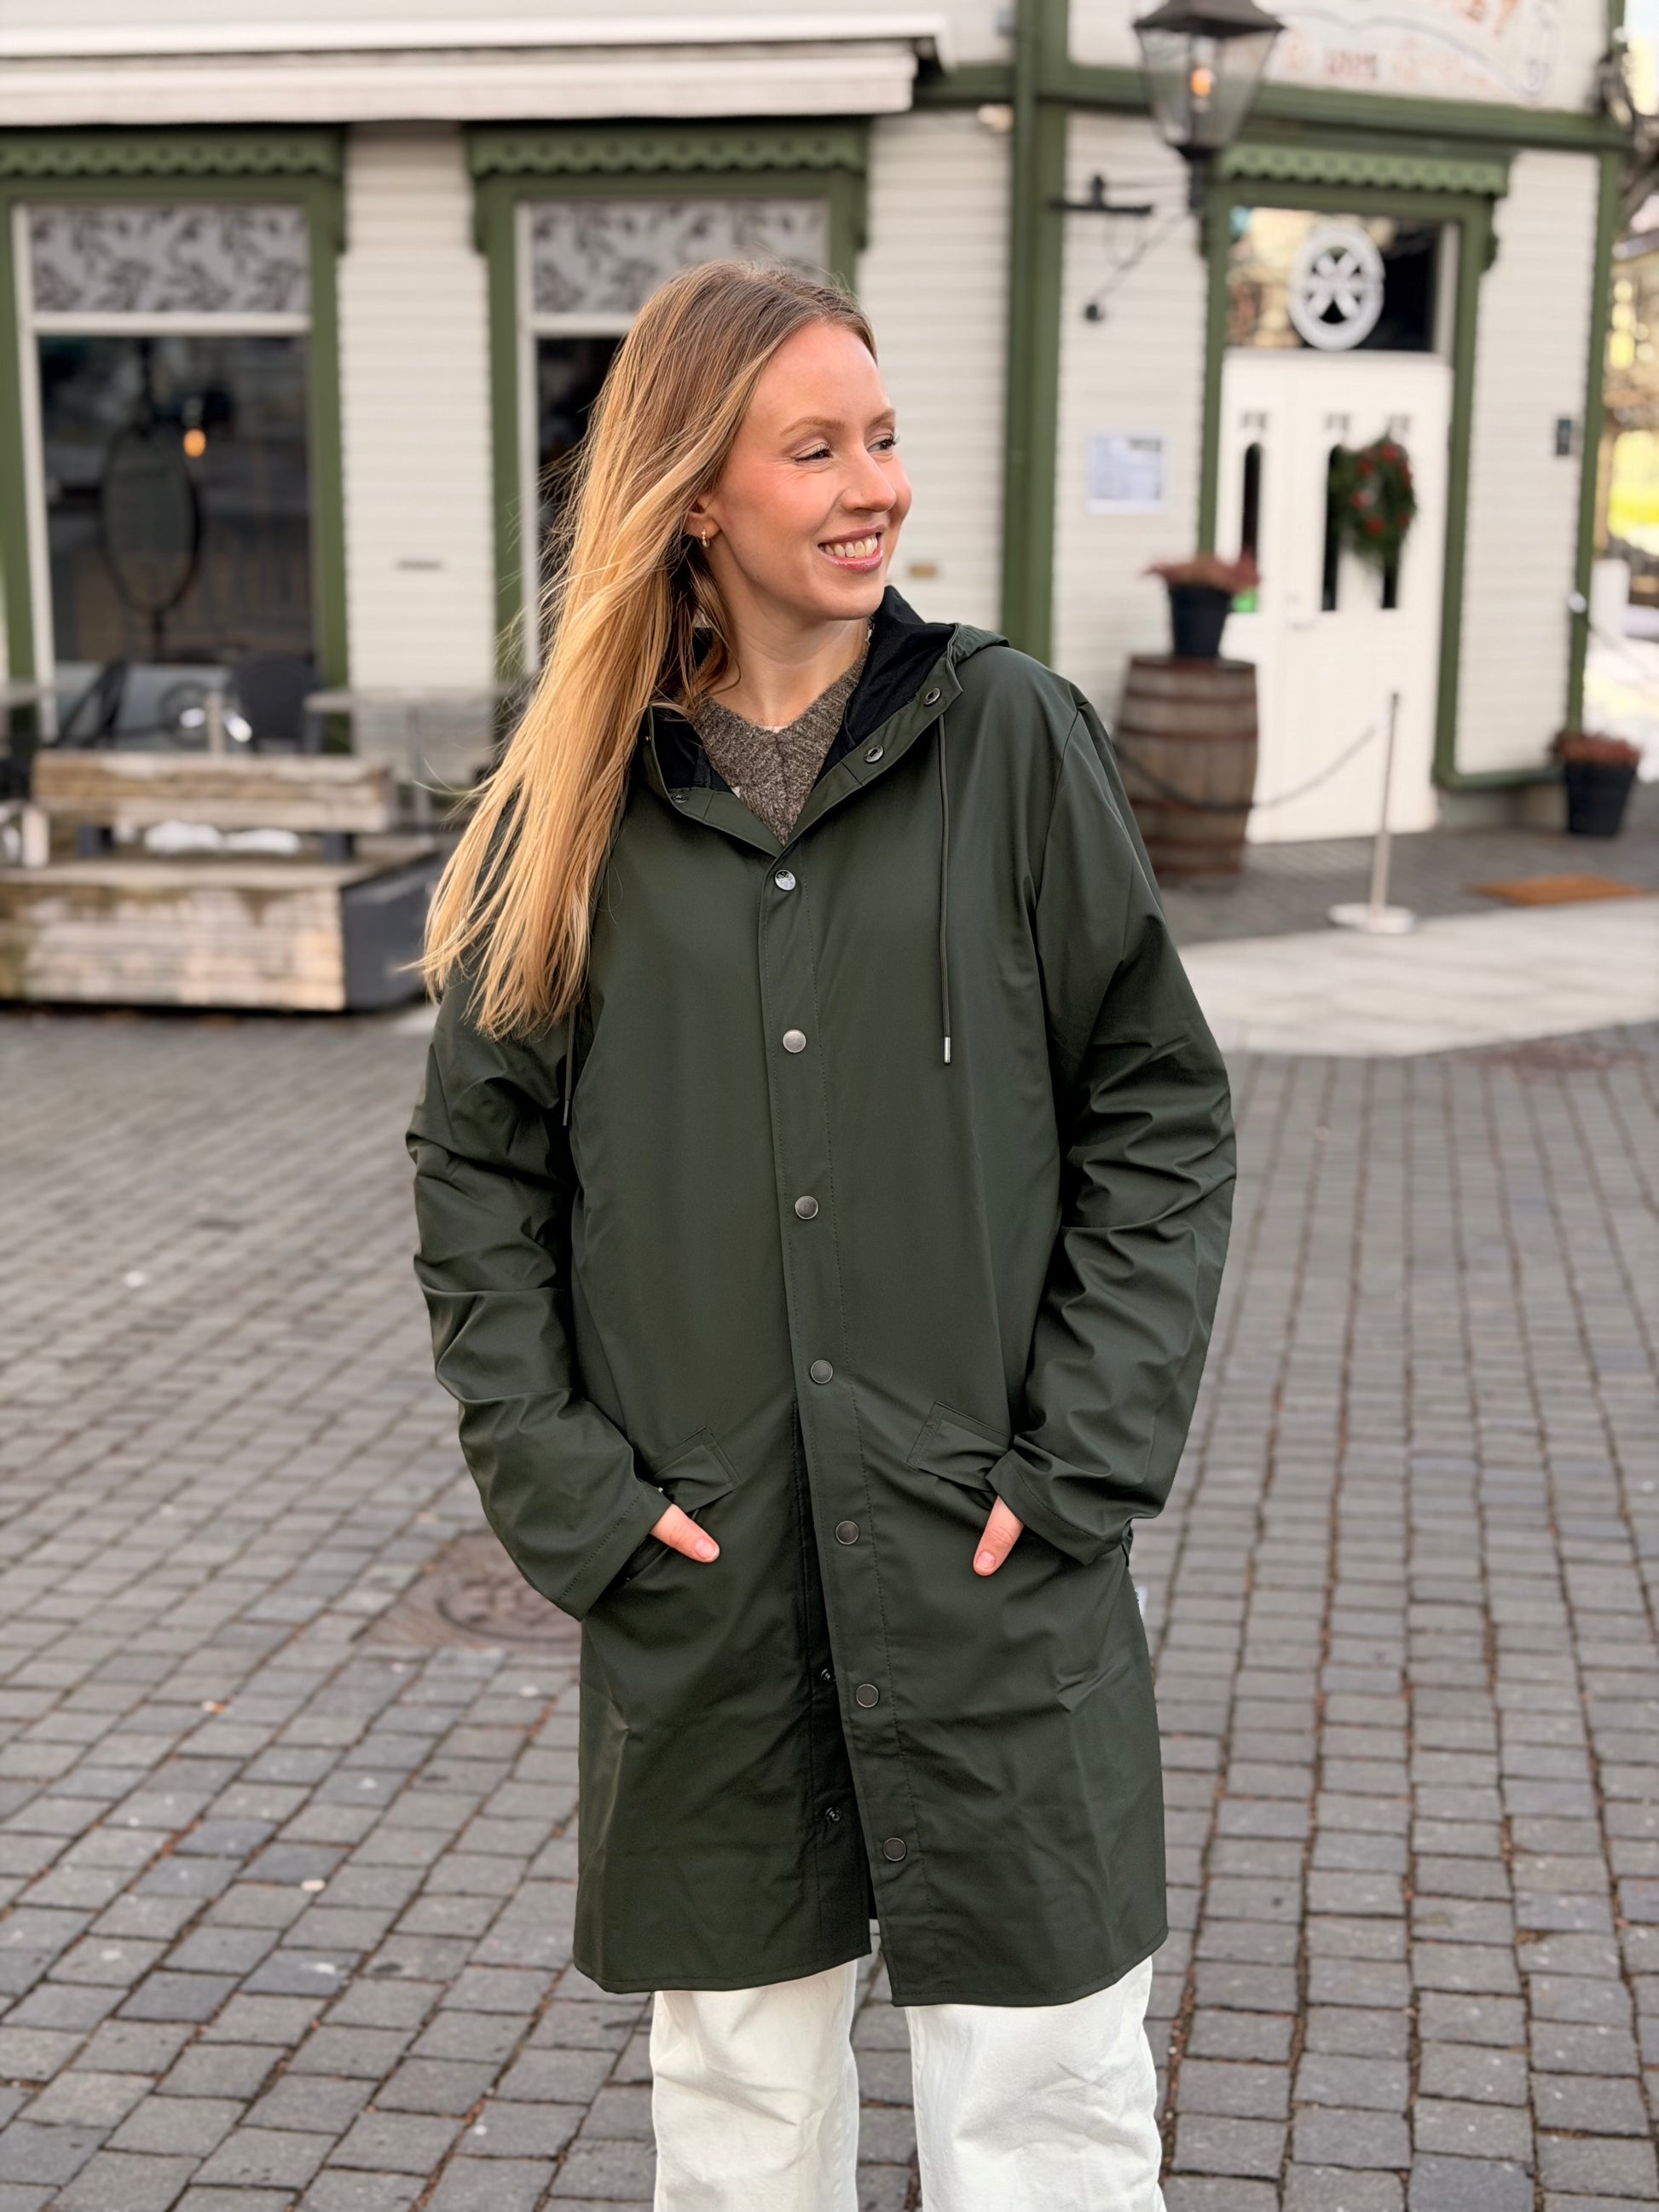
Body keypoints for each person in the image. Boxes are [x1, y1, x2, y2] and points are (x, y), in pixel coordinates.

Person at [408, 258, 1235, 2212]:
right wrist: (573, 1496)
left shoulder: (1008, 737)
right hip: (709, 1571)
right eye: (816, 448)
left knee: (1047, 2107)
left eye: (881, 437)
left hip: (987, 1553)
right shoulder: (574, 802)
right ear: (697, 490)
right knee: (737, 2117)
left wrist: (1082, 1455)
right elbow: (478, 1175)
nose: (875, 487)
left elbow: (1156, 1106)